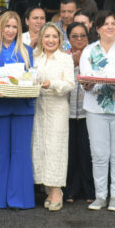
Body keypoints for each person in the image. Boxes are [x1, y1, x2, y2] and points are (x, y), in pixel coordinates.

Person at [79, 11, 115, 212]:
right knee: (99, 154)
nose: (111, 27)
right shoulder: (89, 51)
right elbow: (85, 79)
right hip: (95, 108)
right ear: (97, 28)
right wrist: (87, 85)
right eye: (105, 24)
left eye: (113, 23)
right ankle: (100, 195)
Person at [0, 11, 35, 209]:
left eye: (14, 27)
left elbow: (31, 77)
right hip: (0, 105)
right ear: (0, 27)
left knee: (21, 152)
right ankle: (1, 199)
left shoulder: (26, 50)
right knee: (3, 152)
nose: (11, 30)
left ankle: (21, 199)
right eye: (7, 26)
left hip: (23, 107)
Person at [32, 23, 75, 211]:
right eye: (47, 36)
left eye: (54, 37)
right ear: (41, 38)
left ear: (60, 39)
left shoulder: (65, 59)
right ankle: (47, 188)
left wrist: (53, 84)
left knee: (56, 148)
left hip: (57, 106)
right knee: (40, 146)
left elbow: (70, 85)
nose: (50, 40)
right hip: (38, 106)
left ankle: (57, 190)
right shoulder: (34, 57)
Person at [63, 22, 94, 204]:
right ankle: (71, 190)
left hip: (87, 113)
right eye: (74, 36)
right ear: (68, 39)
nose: (79, 39)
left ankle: (89, 189)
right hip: (67, 112)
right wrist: (71, 64)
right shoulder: (63, 57)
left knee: (86, 152)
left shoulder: (93, 56)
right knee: (70, 153)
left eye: (82, 35)